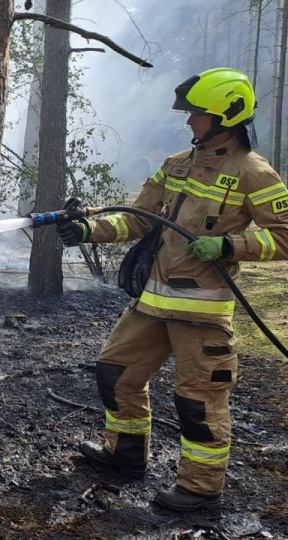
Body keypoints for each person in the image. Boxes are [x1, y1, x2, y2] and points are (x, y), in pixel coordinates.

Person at [56, 67, 288, 512]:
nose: (188, 122)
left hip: (202, 313)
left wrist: (229, 244)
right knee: (115, 373)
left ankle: (200, 490)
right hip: (151, 303)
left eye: (197, 114)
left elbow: (285, 236)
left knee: (198, 403)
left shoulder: (252, 172)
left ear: (226, 116)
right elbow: (138, 217)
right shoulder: (177, 164)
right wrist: (89, 231)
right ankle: (124, 457)